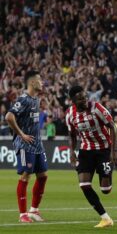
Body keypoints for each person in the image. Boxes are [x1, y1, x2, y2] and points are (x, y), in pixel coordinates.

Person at [65, 85, 117, 228]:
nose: (85, 100)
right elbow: (72, 135)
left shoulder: (96, 108)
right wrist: (72, 152)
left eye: (85, 96)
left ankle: (107, 171)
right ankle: (105, 218)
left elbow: (112, 126)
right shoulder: (70, 114)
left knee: (105, 190)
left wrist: (113, 151)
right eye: (80, 98)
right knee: (84, 184)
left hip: (103, 150)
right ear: (73, 101)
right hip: (86, 151)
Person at [5, 70, 48, 223]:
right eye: (40, 80)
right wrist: (21, 134)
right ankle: (22, 214)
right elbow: (9, 116)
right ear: (32, 82)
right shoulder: (23, 99)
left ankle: (34, 210)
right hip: (25, 144)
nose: (42, 82)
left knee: (43, 176)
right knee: (26, 175)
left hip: (37, 145)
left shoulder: (35, 99)